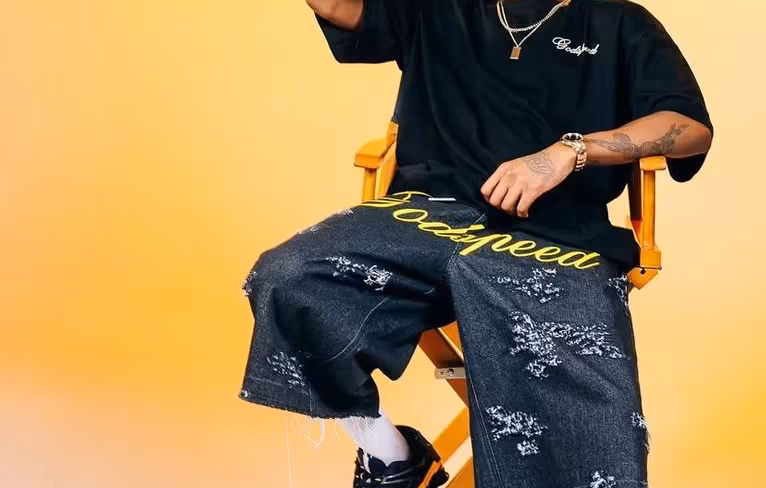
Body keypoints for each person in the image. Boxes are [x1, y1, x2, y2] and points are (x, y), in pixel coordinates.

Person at [237, 0, 713, 486]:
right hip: (425, 215)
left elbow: (689, 127)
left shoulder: (617, 20)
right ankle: (390, 457)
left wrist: (570, 151)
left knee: (579, 385)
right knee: (290, 276)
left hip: (558, 233)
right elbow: (340, 7)